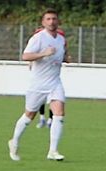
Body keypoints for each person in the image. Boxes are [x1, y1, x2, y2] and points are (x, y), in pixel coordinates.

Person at [8, 9, 69, 161]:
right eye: (48, 19)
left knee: (59, 113)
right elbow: (25, 56)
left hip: (55, 82)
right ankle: (14, 141)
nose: (51, 21)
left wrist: (65, 58)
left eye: (54, 19)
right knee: (29, 116)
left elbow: (62, 53)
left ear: (58, 21)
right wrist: (43, 54)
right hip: (38, 84)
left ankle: (53, 151)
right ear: (43, 22)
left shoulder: (61, 38)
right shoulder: (38, 38)